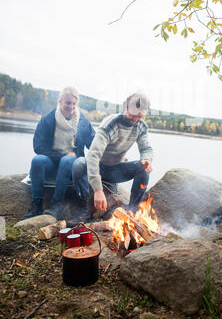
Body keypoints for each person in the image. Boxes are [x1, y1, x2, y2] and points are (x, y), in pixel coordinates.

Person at [73, 92, 153, 215]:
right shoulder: (110, 124)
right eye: (133, 115)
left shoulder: (141, 127)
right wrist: (98, 190)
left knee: (143, 168)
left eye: (140, 117)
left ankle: (132, 211)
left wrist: (146, 159)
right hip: (99, 167)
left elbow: (146, 149)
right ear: (125, 106)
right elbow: (93, 155)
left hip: (116, 170)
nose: (136, 120)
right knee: (79, 164)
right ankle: (84, 210)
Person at [22, 86, 95, 220]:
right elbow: (38, 146)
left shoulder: (83, 122)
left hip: (72, 167)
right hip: (51, 162)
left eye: (74, 103)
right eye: (68, 103)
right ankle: (36, 205)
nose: (71, 106)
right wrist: (61, 155)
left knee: (67, 161)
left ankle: (56, 203)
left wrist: (113, 154)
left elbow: (95, 144)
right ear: (60, 101)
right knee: (37, 160)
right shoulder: (48, 119)